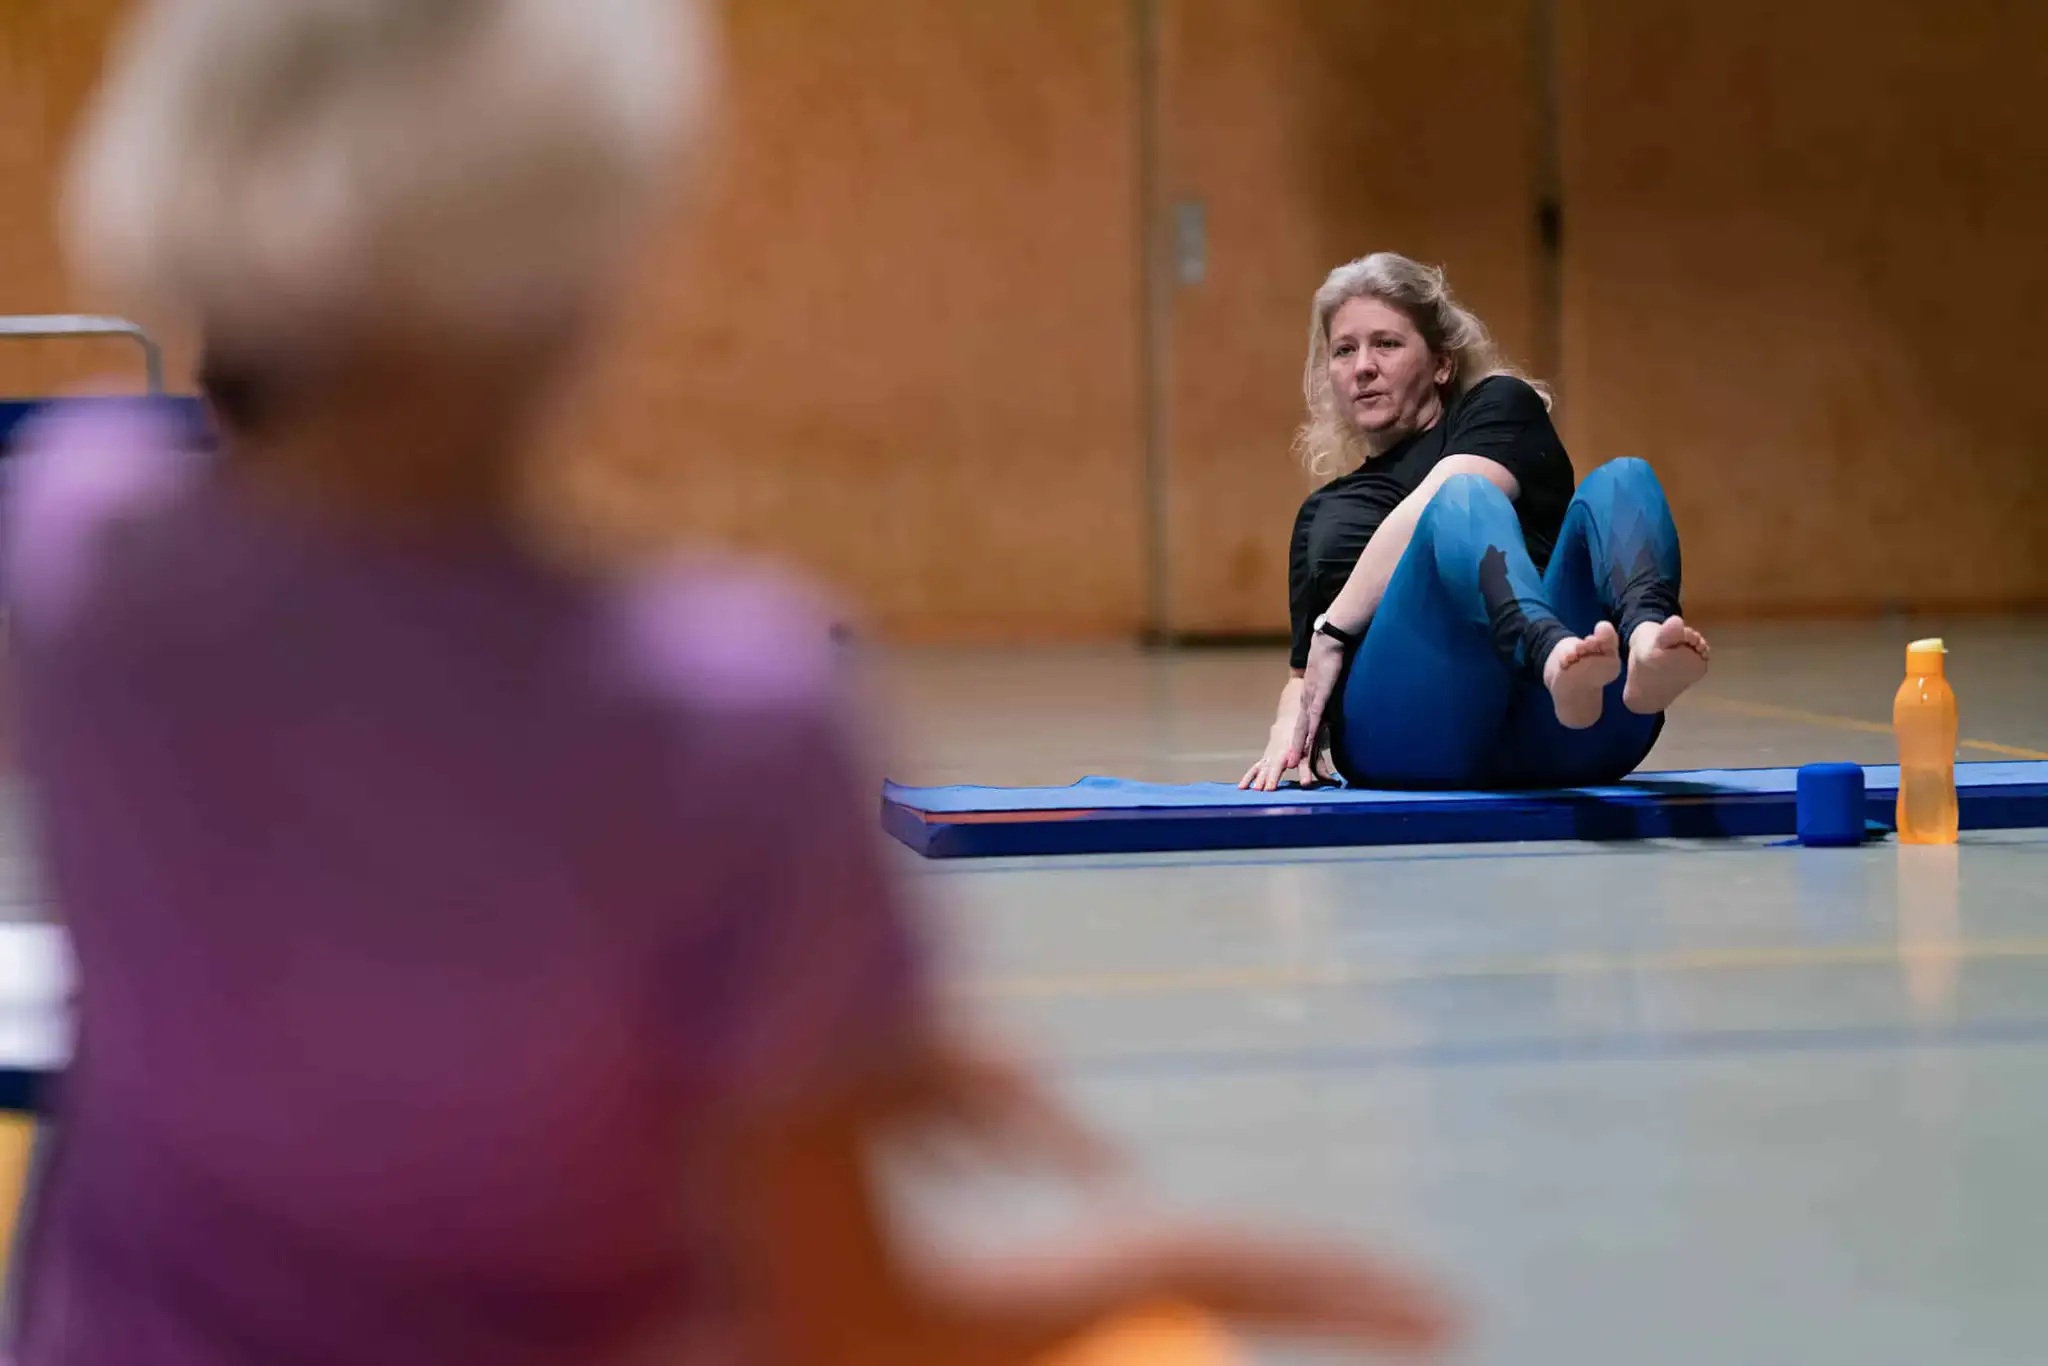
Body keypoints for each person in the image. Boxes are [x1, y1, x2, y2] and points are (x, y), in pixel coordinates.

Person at [3, 2, 1452, 1363]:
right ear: (589, 255)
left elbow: (359, 858)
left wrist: (853, 1050)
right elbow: (854, 1320)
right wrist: (1168, 1261)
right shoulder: (720, 713)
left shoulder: (75, 546)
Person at [1242, 253, 1710, 793]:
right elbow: (1305, 673)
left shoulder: (1497, 408)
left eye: (1386, 344)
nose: (1362, 366)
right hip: (1413, 737)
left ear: (1442, 364)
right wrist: (1287, 727)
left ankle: (1649, 642)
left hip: (1575, 720)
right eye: (1344, 350)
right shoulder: (1323, 513)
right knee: (1463, 498)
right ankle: (1551, 653)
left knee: (1623, 478)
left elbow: (1447, 495)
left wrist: (1335, 625)